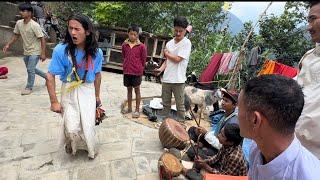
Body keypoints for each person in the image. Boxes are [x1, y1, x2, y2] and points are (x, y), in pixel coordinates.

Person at [238, 74, 320, 179]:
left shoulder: (308, 176)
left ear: (255, 120)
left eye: (239, 109)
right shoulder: (257, 148)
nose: (237, 115)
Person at [46, 13, 103, 160]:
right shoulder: (61, 50)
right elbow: (50, 76)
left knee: (87, 124)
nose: (72, 32)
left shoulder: (97, 53)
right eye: (70, 28)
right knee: (71, 126)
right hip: (69, 90)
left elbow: (97, 75)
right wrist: (53, 101)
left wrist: (97, 96)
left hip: (88, 90)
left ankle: (90, 149)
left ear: (87, 31)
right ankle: (71, 144)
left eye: (77, 29)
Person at [2, 2, 46, 95]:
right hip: (26, 51)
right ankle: (47, 76)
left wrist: (43, 53)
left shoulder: (35, 25)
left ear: (30, 13)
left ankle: (29, 87)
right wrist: (8, 44)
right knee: (31, 69)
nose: (21, 12)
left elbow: (42, 39)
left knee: (30, 69)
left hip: (35, 51)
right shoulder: (19, 23)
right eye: (20, 10)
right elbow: (16, 35)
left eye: (23, 11)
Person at [295, 1, 320, 159]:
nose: (309, 27)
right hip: (295, 149)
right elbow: (295, 90)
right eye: (308, 20)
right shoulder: (309, 56)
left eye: (313, 19)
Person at [155, 16, 192, 121]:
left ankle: (181, 123)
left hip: (178, 80)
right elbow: (168, 61)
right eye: (176, 30)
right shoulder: (169, 43)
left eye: (181, 31)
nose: (178, 33)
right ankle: (164, 123)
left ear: (185, 30)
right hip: (167, 78)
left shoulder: (186, 43)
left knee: (180, 105)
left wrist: (166, 53)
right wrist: (160, 69)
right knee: (165, 103)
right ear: (173, 28)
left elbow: (177, 59)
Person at [186, 89, 239, 160]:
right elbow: (216, 133)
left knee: (191, 151)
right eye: (223, 99)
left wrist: (206, 134)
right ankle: (201, 145)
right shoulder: (225, 114)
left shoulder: (233, 123)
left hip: (220, 150)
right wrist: (205, 134)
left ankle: (203, 149)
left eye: (226, 101)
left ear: (234, 105)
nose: (222, 102)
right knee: (193, 130)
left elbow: (221, 146)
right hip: (215, 140)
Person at [183, 124, 247, 180]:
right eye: (220, 133)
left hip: (227, 176)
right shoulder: (226, 145)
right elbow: (216, 157)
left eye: (222, 135)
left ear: (230, 142)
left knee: (200, 178)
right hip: (221, 167)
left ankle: (191, 173)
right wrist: (204, 161)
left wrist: (206, 166)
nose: (218, 136)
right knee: (196, 154)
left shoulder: (234, 157)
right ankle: (195, 171)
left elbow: (224, 177)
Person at [121, 24, 147, 118]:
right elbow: (124, 56)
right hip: (127, 71)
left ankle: (136, 110)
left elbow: (143, 60)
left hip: (137, 72)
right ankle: (129, 108)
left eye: (135, 34)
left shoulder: (142, 46)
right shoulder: (124, 45)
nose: (133, 36)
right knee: (128, 90)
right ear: (128, 34)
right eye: (131, 34)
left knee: (137, 90)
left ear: (137, 35)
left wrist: (140, 68)